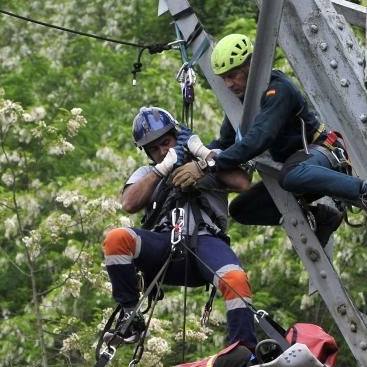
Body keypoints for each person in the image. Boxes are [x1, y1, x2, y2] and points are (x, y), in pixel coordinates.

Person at [185, 33, 367, 246]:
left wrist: (207, 165)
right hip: (297, 171)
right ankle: (322, 217)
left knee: (291, 175)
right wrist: (191, 158)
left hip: (321, 153)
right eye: (224, 78)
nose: (229, 84)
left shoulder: (278, 90)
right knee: (242, 209)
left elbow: (260, 138)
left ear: (252, 65)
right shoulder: (242, 106)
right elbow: (224, 143)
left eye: (234, 75)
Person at [101, 106, 257, 351]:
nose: (162, 151)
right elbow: (129, 203)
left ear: (177, 135)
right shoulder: (148, 173)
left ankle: (243, 347)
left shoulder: (208, 157)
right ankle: (132, 319)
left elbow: (242, 182)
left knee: (235, 279)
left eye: (166, 142)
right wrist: (162, 169)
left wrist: (204, 162)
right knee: (116, 238)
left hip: (205, 243)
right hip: (164, 247)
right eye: (154, 149)